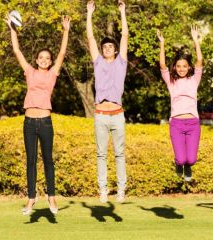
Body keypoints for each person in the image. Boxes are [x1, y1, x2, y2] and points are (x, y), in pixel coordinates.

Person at [5, 14, 70, 214]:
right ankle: (31, 199)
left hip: (45, 122)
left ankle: (52, 198)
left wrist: (66, 31)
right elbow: (16, 50)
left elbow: (61, 54)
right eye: (41, 58)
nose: (44, 60)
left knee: (48, 160)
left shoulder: (52, 73)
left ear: (50, 62)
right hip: (29, 122)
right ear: (36, 60)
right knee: (31, 160)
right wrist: (12, 29)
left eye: (47, 58)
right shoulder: (29, 72)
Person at [86, 0, 128, 203]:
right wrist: (89, 14)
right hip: (101, 115)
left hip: (117, 115)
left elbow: (126, 36)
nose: (107, 48)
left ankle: (121, 189)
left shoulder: (121, 62)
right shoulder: (98, 61)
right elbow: (90, 37)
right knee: (101, 154)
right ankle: (103, 189)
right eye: (105, 47)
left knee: (119, 154)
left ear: (115, 49)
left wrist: (123, 13)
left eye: (111, 46)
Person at [156, 26, 203, 182]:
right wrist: (162, 43)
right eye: (178, 66)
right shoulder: (171, 81)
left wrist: (196, 41)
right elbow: (162, 65)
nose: (182, 69)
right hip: (176, 123)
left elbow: (200, 61)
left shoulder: (194, 79)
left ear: (188, 67)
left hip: (193, 123)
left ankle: (188, 166)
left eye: (184, 66)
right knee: (181, 159)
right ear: (174, 68)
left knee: (192, 159)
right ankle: (179, 164)